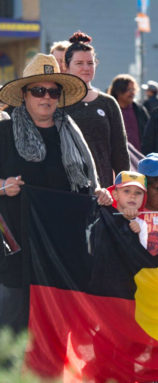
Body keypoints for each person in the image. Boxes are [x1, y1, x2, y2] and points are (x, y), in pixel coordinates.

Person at [0, 53, 112, 331]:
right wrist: (3, 187)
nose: (46, 97)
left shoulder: (71, 132)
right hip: (17, 248)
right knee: (14, 321)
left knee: (59, 326)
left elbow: (88, 183)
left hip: (62, 248)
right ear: (24, 94)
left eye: (53, 91)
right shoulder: (4, 130)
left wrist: (99, 193)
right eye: (38, 90)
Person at [64, 31, 130, 187]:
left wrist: (124, 186)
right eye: (79, 63)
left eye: (90, 63)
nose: (86, 68)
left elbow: (120, 151)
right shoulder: (57, 100)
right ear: (66, 66)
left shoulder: (107, 103)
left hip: (103, 185)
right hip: (67, 186)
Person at [108, 74, 150, 153]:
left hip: (140, 158)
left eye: (133, 89)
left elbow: (149, 135)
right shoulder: (108, 111)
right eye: (128, 90)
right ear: (118, 91)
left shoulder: (139, 110)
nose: (132, 93)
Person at [109, 171, 148, 248]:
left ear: (143, 197)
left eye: (138, 192)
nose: (133, 196)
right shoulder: (107, 217)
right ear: (115, 195)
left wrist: (137, 235)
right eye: (127, 191)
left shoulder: (141, 224)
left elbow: (141, 255)